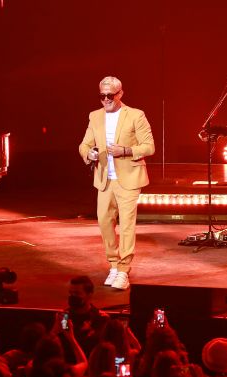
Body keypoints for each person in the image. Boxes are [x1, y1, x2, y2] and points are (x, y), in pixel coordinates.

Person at [78, 76, 155, 290]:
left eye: (109, 96)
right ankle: (113, 264)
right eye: (101, 96)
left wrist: (126, 151)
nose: (105, 100)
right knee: (104, 222)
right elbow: (84, 145)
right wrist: (89, 154)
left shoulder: (136, 115)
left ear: (120, 94)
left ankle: (123, 270)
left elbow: (149, 146)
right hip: (105, 180)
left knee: (127, 225)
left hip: (128, 178)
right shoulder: (95, 116)